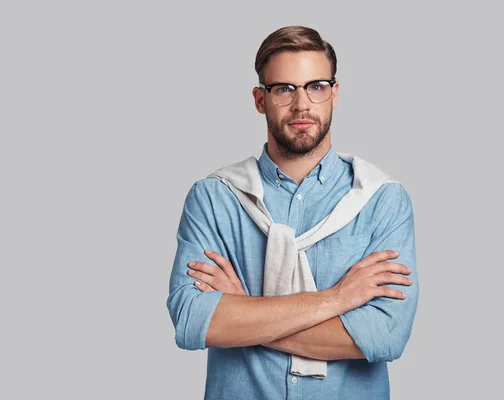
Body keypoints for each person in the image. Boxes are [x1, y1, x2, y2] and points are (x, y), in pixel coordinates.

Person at [167, 25, 419, 400]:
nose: (302, 104)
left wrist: (244, 316)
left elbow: (385, 335)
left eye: (315, 87)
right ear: (259, 99)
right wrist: (337, 299)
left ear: (334, 95)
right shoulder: (215, 198)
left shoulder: (381, 199)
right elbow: (192, 322)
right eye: (284, 88)